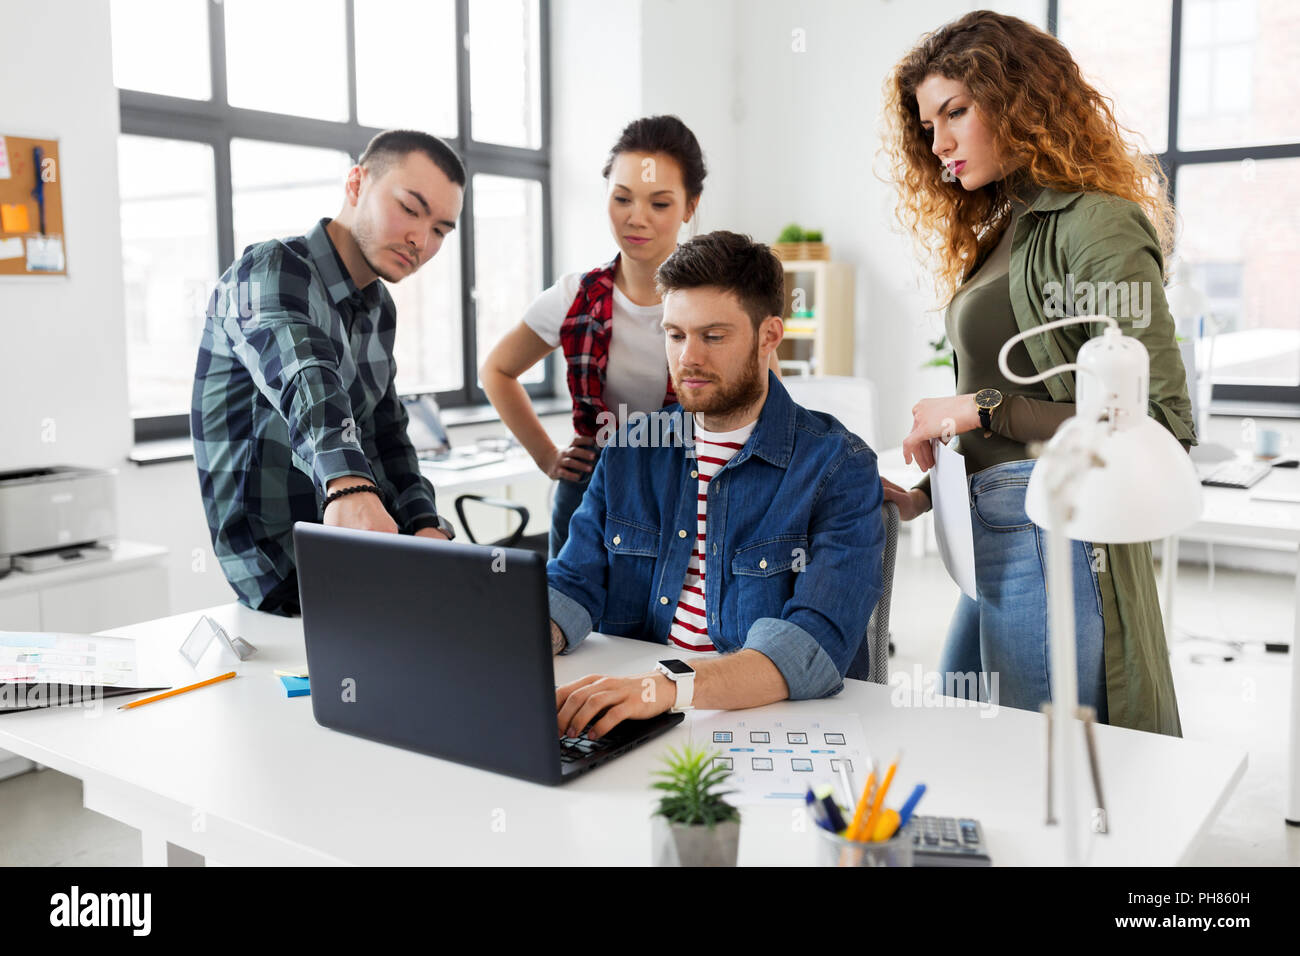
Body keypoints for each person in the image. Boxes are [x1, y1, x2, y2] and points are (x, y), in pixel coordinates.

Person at [879, 11, 1197, 735]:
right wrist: (928, 495)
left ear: (1020, 100)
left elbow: (1160, 426)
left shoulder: (1096, 223)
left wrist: (977, 408)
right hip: (994, 529)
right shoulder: (1001, 231)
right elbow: (1022, 411)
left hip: (1050, 533)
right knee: (966, 745)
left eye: (956, 112)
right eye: (928, 126)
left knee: (1042, 772)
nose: (940, 144)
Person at [545, 231, 884, 740]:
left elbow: (811, 644)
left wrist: (662, 686)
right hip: (641, 713)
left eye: (713, 336)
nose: (688, 358)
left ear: (770, 336)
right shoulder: (631, 447)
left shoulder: (838, 466)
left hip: (767, 724)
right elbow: (573, 584)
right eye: (675, 334)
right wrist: (512, 646)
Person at [481, 115, 780, 558]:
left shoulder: (721, 301)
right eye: (622, 198)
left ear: (690, 206)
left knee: (673, 624)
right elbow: (496, 370)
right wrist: (547, 457)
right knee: (570, 617)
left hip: (692, 488)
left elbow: (769, 397)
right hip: (590, 494)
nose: (636, 218)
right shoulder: (573, 296)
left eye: (659, 204)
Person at [192, 130, 465, 615]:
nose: (420, 240)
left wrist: (423, 523)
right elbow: (306, 378)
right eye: (410, 207)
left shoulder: (380, 308)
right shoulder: (270, 271)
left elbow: (387, 433)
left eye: (441, 229)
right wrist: (349, 484)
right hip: (279, 583)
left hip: (363, 572)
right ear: (356, 184)